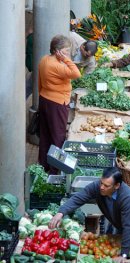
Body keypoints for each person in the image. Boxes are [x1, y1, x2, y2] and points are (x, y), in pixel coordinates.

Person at [48, 167, 130, 259]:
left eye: (106, 185)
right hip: (121, 224)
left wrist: (123, 255)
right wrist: (60, 213)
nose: (101, 187)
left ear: (116, 186)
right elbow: (79, 197)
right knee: (118, 250)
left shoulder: (127, 197)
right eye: (101, 183)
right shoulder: (98, 186)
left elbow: (129, 228)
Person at [38, 34, 81, 173]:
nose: (68, 54)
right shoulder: (57, 65)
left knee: (45, 135)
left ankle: (44, 165)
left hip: (44, 99)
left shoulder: (44, 59)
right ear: (57, 51)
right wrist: (66, 60)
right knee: (58, 136)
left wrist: (42, 95)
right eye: (66, 51)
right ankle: (55, 171)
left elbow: (39, 82)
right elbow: (76, 73)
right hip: (57, 103)